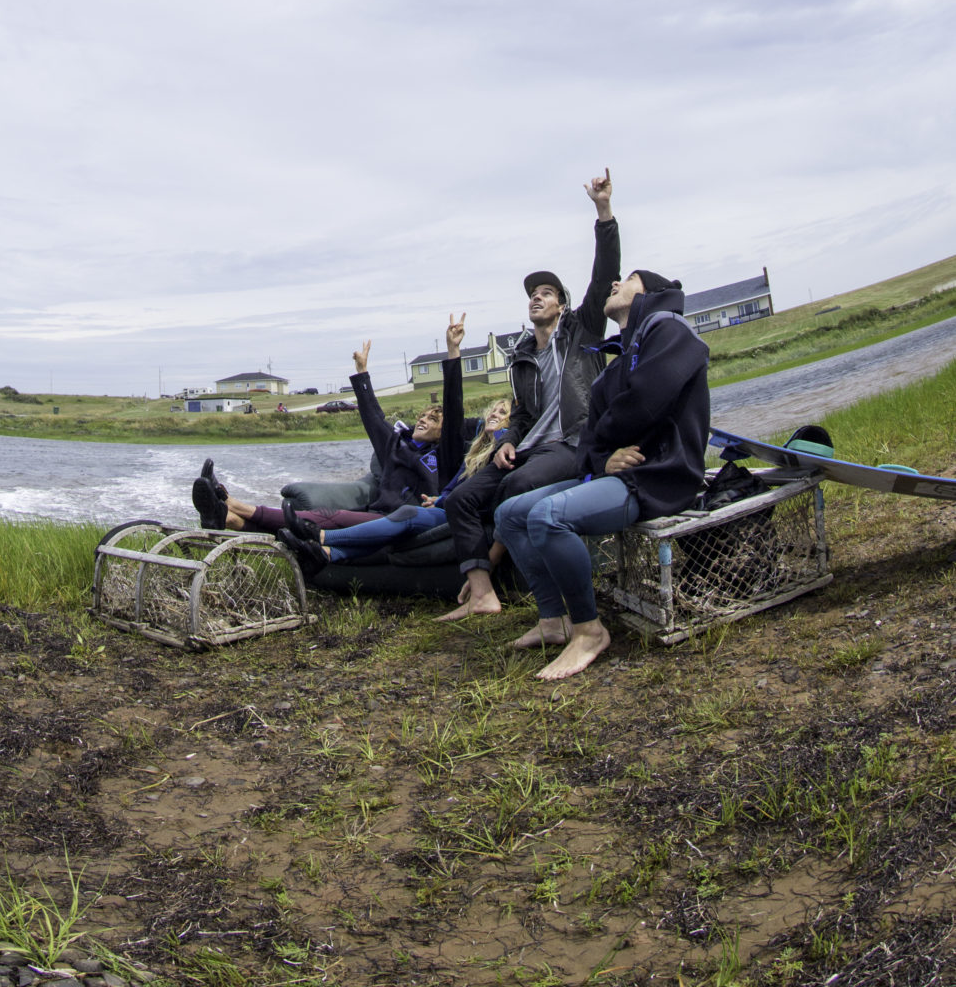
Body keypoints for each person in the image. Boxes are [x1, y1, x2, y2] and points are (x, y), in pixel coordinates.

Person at [494, 268, 710, 681]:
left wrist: (604, 448)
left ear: (650, 293)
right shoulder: (617, 360)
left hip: (657, 476)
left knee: (548, 517)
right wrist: (602, 458)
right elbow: (590, 433)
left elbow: (645, 403)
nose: (614, 284)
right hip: (614, 476)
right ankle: (553, 619)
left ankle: (589, 630)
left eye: (626, 280)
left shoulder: (673, 334)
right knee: (509, 514)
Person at [438, 170, 621, 621]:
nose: (536, 299)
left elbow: (605, 273)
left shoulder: (583, 331)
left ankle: (536, 590)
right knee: (460, 499)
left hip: (574, 442)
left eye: (546, 293)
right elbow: (520, 417)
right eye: (532, 295)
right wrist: (505, 443)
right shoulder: (521, 357)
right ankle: (482, 594)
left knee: (518, 487)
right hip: (532, 448)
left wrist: (603, 211)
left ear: (562, 303)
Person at [191, 316, 468, 536]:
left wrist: (453, 352)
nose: (422, 419)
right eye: (423, 415)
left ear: (442, 433)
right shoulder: (396, 444)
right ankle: (228, 519)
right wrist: (362, 374)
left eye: (433, 419)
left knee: (328, 517)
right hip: (377, 515)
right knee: (315, 526)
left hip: (409, 520)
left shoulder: (445, 455)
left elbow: (454, 411)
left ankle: (231, 504)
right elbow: (373, 418)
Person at [280, 392, 512, 572]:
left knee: (408, 514)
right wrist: (440, 498)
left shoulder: (503, 444)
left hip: (462, 512)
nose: (494, 414)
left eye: (502, 413)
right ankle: (328, 554)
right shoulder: (477, 450)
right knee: (399, 523)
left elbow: (480, 489)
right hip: (447, 506)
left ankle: (321, 536)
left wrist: (444, 499)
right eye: (493, 411)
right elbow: (462, 487)